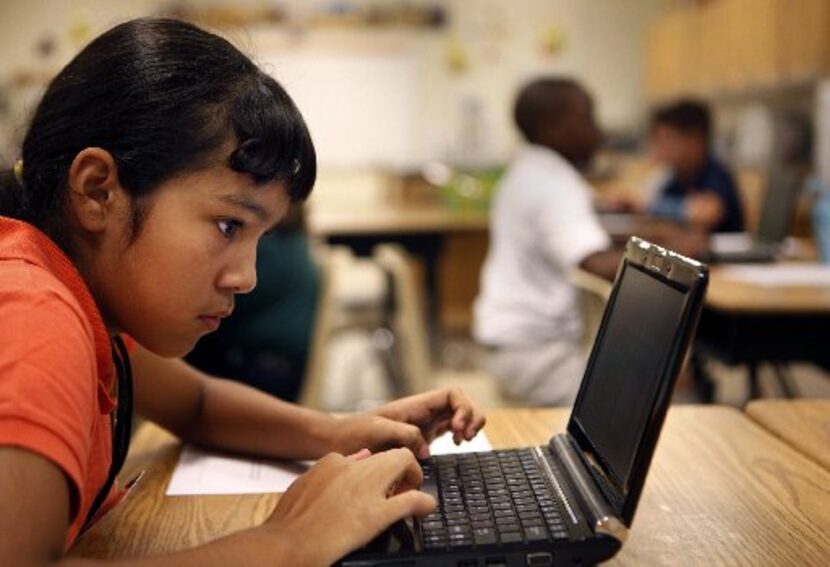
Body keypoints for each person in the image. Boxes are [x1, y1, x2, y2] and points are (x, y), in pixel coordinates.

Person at [0, 18, 485, 566]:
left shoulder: (82, 301)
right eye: (229, 225)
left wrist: (342, 431)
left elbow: (198, 406)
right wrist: (290, 542)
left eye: (262, 236)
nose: (247, 277)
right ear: (98, 191)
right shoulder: (35, 314)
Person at [473, 77, 619, 407]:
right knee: (638, 409)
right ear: (552, 127)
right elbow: (597, 264)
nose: (598, 132)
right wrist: (687, 256)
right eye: (587, 119)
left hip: (508, 345)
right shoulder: (555, 185)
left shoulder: (525, 171)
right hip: (538, 358)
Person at [185, 204, 319, 402]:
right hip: (284, 366)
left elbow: (215, 308)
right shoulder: (296, 242)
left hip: (263, 369)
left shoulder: (270, 250)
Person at [648, 99, 745, 233]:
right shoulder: (676, 177)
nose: (660, 149)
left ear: (695, 140)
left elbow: (708, 212)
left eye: (668, 139)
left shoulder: (716, 174)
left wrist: (650, 205)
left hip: (718, 252)